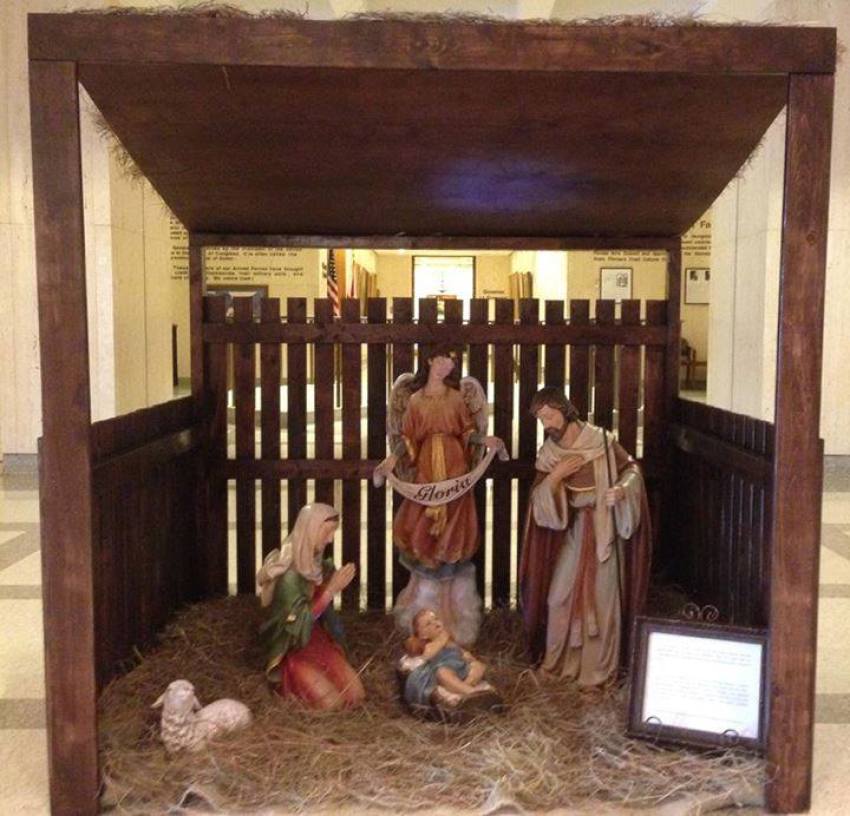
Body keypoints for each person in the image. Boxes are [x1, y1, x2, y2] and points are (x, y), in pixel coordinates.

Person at [518, 387, 651, 687]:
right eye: (541, 420)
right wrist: (556, 476)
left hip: (604, 531)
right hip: (575, 530)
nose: (547, 425)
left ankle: (597, 674)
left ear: (565, 411)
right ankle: (556, 666)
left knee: (603, 602)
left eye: (550, 416)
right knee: (558, 597)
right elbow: (539, 500)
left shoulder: (601, 441)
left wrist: (621, 490)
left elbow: (631, 470)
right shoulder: (550, 455)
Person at [374, 345, 503, 646]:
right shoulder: (416, 400)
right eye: (443, 358)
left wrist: (485, 439)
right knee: (421, 527)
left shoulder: (457, 397)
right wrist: (393, 459)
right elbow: (407, 438)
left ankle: (448, 609)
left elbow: (467, 432)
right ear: (431, 360)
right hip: (426, 472)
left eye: (452, 360)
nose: (448, 365)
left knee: (453, 530)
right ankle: (419, 602)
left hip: (456, 470)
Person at [256, 503, 365, 710]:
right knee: (331, 704)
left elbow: (322, 611)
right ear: (311, 530)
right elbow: (297, 624)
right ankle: (293, 681)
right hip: (296, 648)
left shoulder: (315, 565)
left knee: (356, 696)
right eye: (327, 532)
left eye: (333, 532)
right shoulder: (289, 578)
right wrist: (330, 590)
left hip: (318, 642)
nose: (331, 539)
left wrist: (330, 584)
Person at [402, 608, 496, 709]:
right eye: (428, 624)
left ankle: (465, 688)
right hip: (440, 671)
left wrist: (470, 659)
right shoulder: (429, 645)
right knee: (443, 673)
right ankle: (470, 692)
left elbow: (462, 653)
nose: (436, 623)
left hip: (460, 669)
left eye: (436, 619)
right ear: (423, 635)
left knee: (478, 666)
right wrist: (444, 636)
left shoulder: (451, 643)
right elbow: (428, 655)